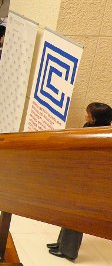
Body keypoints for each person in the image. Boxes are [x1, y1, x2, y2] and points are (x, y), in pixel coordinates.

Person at [46, 102, 112, 261]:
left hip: (87, 181)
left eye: (88, 112)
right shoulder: (89, 127)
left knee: (76, 215)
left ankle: (68, 250)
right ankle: (61, 243)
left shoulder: (101, 135)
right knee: (68, 211)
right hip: (78, 176)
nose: (85, 114)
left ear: (95, 118)